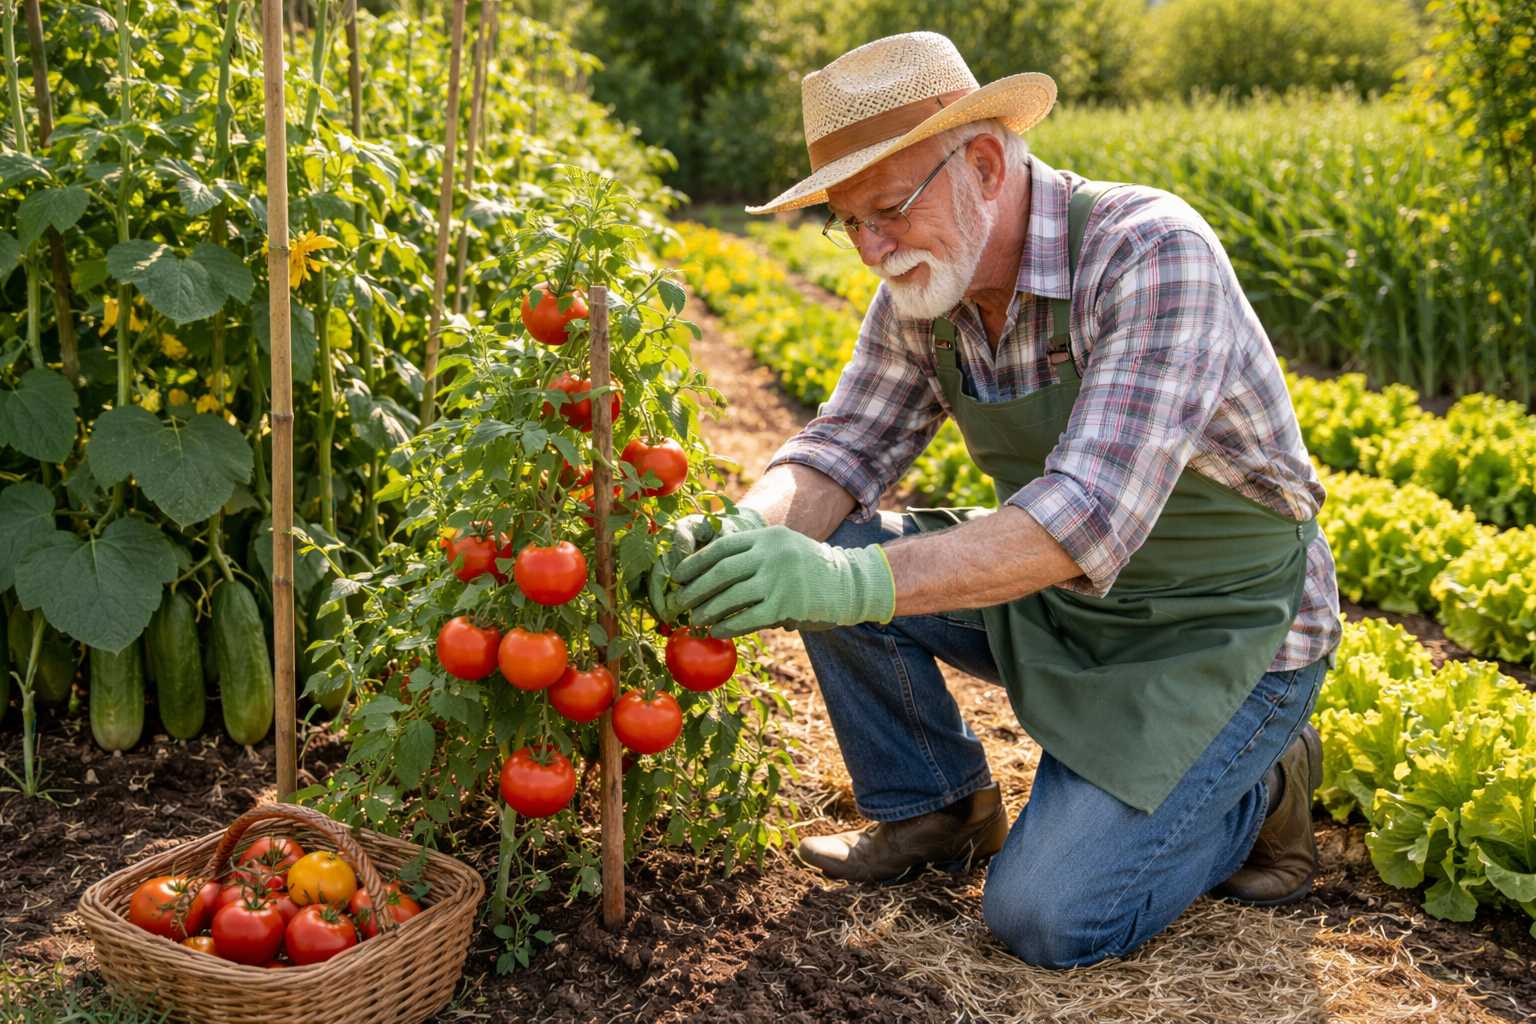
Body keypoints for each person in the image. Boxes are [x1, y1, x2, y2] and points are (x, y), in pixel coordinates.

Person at [648, 31, 1341, 969]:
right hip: (1066, 599)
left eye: (885, 210)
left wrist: (841, 581)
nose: (870, 249)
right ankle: (935, 806)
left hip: (1220, 630)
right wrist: (742, 532)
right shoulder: (923, 286)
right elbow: (844, 447)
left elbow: (1087, 517)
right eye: (846, 223)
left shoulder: (1149, 254)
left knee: (1047, 917)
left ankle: (1262, 784)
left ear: (981, 162)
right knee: (832, 536)